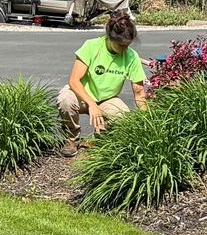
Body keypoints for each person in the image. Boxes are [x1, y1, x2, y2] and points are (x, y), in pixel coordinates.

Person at [58, 9, 148, 152]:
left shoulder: (132, 57)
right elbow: (74, 81)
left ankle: (99, 140)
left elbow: (139, 93)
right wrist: (92, 104)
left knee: (123, 117)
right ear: (110, 37)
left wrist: (147, 122)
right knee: (65, 100)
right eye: (121, 45)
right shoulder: (92, 46)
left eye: (128, 45)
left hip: (107, 99)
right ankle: (71, 139)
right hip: (82, 95)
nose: (125, 49)